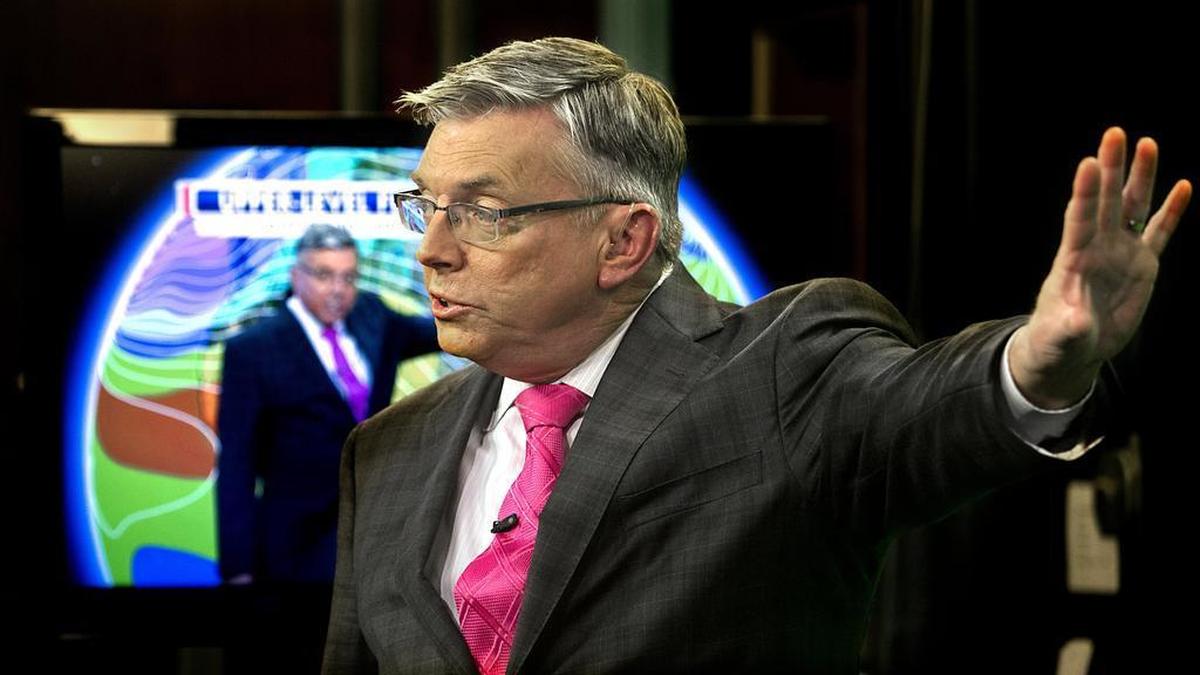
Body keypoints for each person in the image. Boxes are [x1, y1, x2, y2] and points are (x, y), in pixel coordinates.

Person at [320, 38, 1191, 673]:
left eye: (483, 212)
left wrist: (1042, 357)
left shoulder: (781, 368)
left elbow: (926, 408)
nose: (430, 250)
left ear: (624, 239)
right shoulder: (390, 450)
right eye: (423, 206)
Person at [217, 224, 438, 584]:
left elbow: (436, 334)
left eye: (348, 277)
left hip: (370, 533)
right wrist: (238, 568)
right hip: (293, 546)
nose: (338, 290)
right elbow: (236, 464)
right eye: (324, 275)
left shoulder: (372, 315)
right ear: (296, 275)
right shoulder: (253, 350)